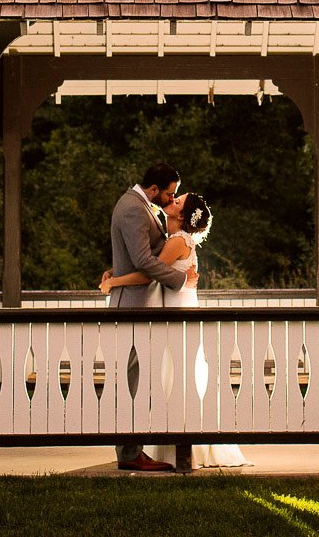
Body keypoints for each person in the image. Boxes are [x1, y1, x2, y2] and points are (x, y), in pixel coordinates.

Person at [102, 192, 251, 470]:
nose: (171, 202)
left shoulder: (178, 241)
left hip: (175, 317)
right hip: (171, 314)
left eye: (177, 201)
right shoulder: (174, 241)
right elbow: (148, 261)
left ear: (181, 216)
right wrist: (115, 271)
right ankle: (174, 446)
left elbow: (148, 272)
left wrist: (115, 282)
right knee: (171, 379)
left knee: (176, 377)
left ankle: (183, 447)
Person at [108, 163, 198, 472]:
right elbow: (144, 260)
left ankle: (133, 449)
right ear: (154, 189)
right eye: (169, 193)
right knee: (132, 382)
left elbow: (149, 252)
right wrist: (179, 279)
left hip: (141, 303)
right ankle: (130, 453)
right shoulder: (133, 209)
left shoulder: (140, 206)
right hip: (133, 305)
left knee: (139, 380)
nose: (170, 200)